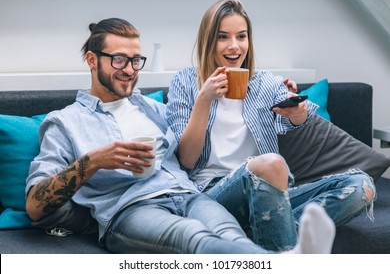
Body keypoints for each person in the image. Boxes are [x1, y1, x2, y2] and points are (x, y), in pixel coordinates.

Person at [24, 17, 336, 254]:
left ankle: (289, 259)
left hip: (188, 195)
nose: (130, 70)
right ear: (92, 60)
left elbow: (195, 146)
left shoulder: (152, 109)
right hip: (131, 209)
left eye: (135, 61)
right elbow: (35, 205)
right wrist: (94, 161)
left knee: (231, 236)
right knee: (195, 240)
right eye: (119, 59)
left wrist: (271, 95)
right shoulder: (65, 122)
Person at [165, 0, 376, 252]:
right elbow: (186, 160)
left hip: (270, 193)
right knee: (271, 163)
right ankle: (285, 251)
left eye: (241, 37)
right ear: (208, 40)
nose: (234, 46)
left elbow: (300, 117)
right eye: (223, 37)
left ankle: (263, 230)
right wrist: (204, 99)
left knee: (361, 186)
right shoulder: (186, 81)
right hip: (211, 194)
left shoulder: (266, 83)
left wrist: (295, 112)